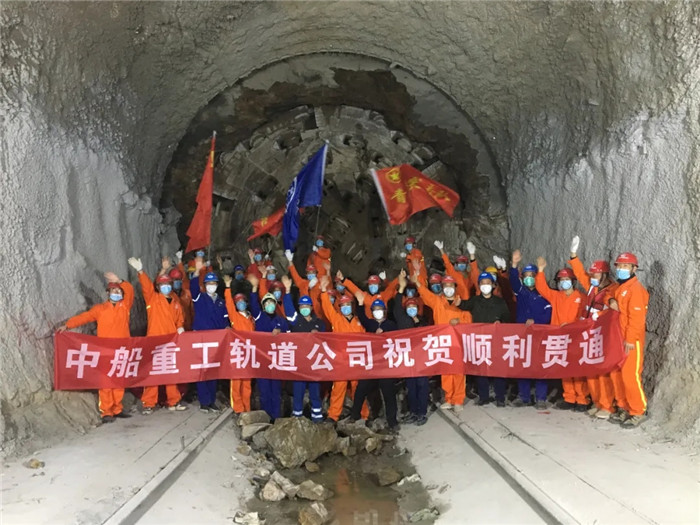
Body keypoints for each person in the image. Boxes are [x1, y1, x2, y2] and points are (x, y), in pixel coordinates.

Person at [57, 272, 134, 423]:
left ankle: (117, 408)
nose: (117, 293)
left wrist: (120, 281)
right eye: (114, 290)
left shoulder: (125, 307)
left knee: (119, 380)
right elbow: (84, 317)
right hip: (105, 350)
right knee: (106, 381)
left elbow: (130, 291)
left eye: (119, 291)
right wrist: (68, 325)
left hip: (121, 350)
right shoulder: (100, 309)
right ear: (108, 293)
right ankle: (106, 411)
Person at [567, 236, 621, 420]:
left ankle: (607, 406)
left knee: (603, 372)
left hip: (604, 335)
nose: (592, 278)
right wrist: (573, 255)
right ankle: (597, 402)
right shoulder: (592, 288)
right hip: (590, 334)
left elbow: (615, 308)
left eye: (596, 275)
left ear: (604, 275)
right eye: (592, 275)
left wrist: (601, 314)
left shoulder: (613, 290)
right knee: (590, 370)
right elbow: (580, 273)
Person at [129, 256, 187, 414]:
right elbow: (147, 286)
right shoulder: (152, 299)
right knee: (153, 374)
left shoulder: (175, 302)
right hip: (155, 342)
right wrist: (141, 271)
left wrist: (180, 327)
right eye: (163, 285)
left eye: (168, 284)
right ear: (159, 287)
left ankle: (173, 401)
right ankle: (149, 403)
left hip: (171, 342)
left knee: (171, 372)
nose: (166, 287)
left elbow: (179, 318)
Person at [412, 265, 471, 412]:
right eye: (445, 286)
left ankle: (458, 400)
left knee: (458, 372)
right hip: (443, 342)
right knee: (446, 372)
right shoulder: (438, 302)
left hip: (458, 343)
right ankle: (449, 398)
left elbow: (469, 319)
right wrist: (417, 279)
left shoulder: (461, 303)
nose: (448, 288)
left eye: (451, 286)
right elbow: (425, 294)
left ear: (455, 287)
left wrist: (459, 321)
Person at [535, 257, 588, 411]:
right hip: (560, 338)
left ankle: (582, 399)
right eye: (561, 280)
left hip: (576, 338)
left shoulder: (582, 298)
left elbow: (585, 318)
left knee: (577, 370)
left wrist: (572, 326)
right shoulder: (556, 296)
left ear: (573, 281)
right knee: (565, 369)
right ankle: (569, 397)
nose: (564, 282)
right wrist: (540, 271)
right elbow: (542, 289)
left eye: (567, 279)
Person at [319, 275, 369, 423]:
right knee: (338, 388)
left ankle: (363, 415)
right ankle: (333, 415)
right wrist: (323, 291)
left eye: (348, 305)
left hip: (356, 360)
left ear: (351, 306)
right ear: (340, 308)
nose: (346, 308)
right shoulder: (337, 320)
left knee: (357, 388)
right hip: (341, 360)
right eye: (343, 305)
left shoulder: (359, 322)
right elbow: (327, 308)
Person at [608, 252, 649, 428]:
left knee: (630, 376)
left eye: (625, 266)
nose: (621, 269)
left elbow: (637, 319)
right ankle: (624, 407)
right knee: (617, 375)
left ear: (634, 269)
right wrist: (610, 299)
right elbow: (606, 295)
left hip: (631, 341)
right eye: (619, 266)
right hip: (618, 339)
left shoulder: (636, 290)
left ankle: (638, 411)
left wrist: (630, 339)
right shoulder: (619, 287)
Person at [459, 272, 512, 406]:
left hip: (496, 341)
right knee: (481, 370)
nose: (485, 286)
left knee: (498, 369)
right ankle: (484, 397)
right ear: (479, 285)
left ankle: (500, 398)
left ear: (493, 285)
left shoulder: (500, 302)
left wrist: (501, 322)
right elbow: (462, 305)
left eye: (488, 283)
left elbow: (507, 318)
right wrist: (456, 300)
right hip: (480, 341)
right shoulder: (475, 301)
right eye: (482, 283)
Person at [509, 250, 552, 409]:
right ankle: (524, 397)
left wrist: (536, 321)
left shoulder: (545, 294)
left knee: (540, 366)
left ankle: (541, 398)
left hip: (540, 335)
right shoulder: (521, 292)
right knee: (523, 366)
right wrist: (514, 265)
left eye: (532, 275)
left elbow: (549, 315)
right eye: (526, 275)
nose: (529, 278)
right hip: (523, 335)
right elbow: (513, 281)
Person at [281, 275, 326, 423]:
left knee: (315, 393)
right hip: (300, 363)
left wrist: (318, 334)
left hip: (314, 363)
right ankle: (297, 418)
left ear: (311, 307)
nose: (304, 309)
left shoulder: (319, 323)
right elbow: (288, 310)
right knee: (298, 392)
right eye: (302, 307)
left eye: (307, 306)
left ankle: (317, 419)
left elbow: (326, 340)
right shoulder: (296, 321)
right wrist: (287, 291)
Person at [352, 295, 400, 431]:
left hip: (385, 366)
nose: (377, 312)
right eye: (375, 310)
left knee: (389, 394)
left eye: (379, 309)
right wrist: (360, 303)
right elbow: (361, 316)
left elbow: (398, 339)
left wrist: (384, 335)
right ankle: (354, 415)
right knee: (361, 389)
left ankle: (392, 421)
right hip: (371, 364)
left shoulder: (391, 325)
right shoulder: (371, 324)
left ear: (384, 311)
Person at [247, 274, 289, 420]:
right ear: (264, 306)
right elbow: (253, 303)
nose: (270, 305)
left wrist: (280, 332)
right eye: (267, 303)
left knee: (276, 391)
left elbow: (290, 337)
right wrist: (254, 288)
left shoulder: (281, 321)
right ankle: (266, 418)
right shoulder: (259, 316)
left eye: (272, 302)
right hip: (262, 360)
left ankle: (275, 418)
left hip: (276, 360)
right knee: (264, 390)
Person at [190, 259, 229, 413]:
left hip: (215, 340)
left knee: (213, 370)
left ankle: (211, 401)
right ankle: (204, 401)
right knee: (202, 370)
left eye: (213, 283)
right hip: (201, 339)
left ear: (217, 285)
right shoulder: (199, 298)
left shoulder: (221, 302)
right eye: (208, 283)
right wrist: (197, 271)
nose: (211, 285)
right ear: (205, 285)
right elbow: (193, 287)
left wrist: (226, 328)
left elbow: (225, 319)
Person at [395, 269, 430, 425]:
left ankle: (422, 413)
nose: (411, 309)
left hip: (421, 360)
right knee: (411, 387)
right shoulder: (402, 320)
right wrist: (401, 287)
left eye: (413, 307)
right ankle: (413, 412)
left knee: (422, 385)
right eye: (409, 307)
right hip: (408, 359)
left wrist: (417, 320)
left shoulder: (422, 321)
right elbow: (396, 307)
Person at [223, 274, 255, 415]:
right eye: (238, 302)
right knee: (236, 381)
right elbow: (228, 305)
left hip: (248, 353)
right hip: (237, 353)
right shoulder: (235, 317)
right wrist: (228, 287)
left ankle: (246, 407)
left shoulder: (251, 318)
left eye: (242, 301)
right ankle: (238, 408)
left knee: (247, 382)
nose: (240, 303)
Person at [168, 267, 193, 331]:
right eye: (174, 279)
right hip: (175, 329)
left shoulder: (187, 293)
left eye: (178, 279)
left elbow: (192, 311)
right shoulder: (169, 296)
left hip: (188, 328)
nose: (176, 281)